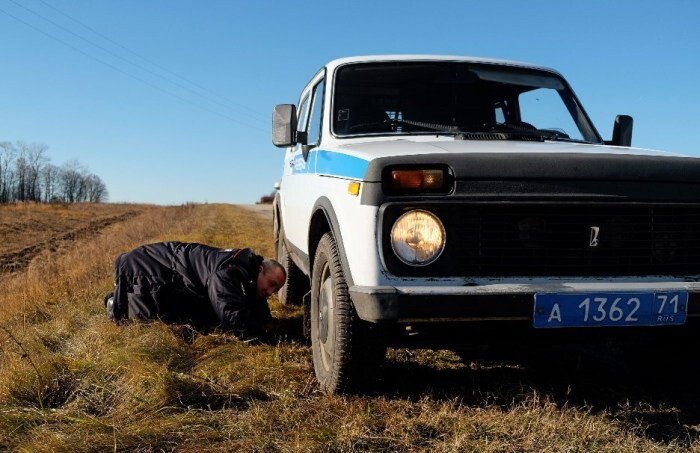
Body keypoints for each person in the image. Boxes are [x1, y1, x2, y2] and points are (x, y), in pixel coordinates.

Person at [103, 241, 286, 340]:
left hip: (175, 273)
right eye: (271, 283)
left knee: (200, 317)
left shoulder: (248, 270)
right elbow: (229, 308)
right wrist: (258, 337)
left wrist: (266, 323)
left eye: (275, 289)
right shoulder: (229, 271)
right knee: (147, 318)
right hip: (146, 268)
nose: (270, 291)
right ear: (261, 269)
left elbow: (254, 304)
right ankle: (114, 303)